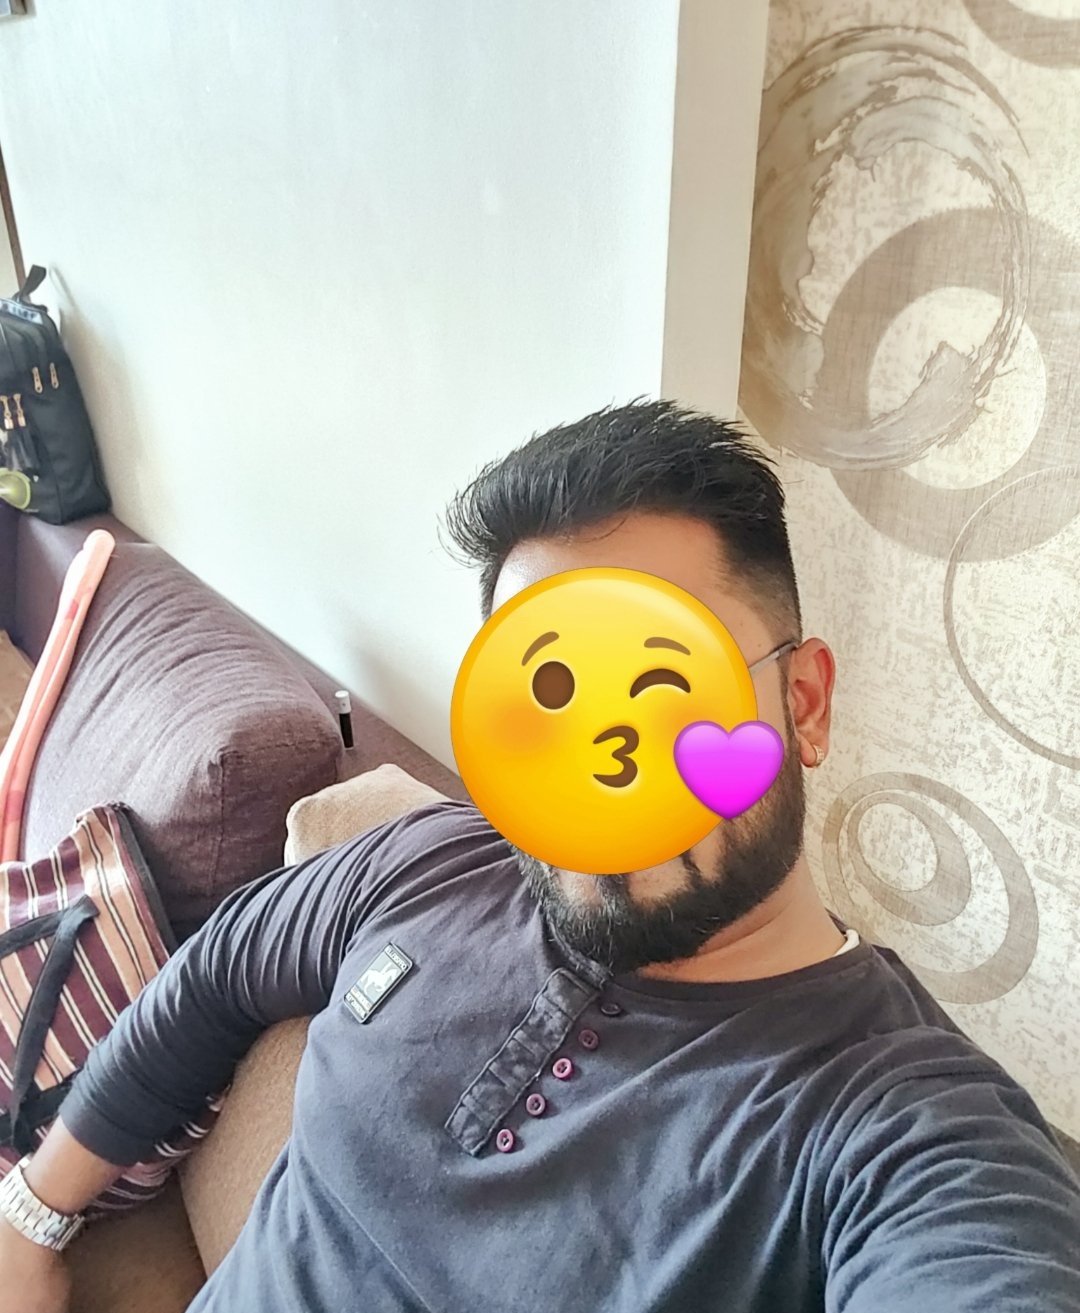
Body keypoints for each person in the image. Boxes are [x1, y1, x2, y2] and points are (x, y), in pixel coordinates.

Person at [2, 401, 1078, 1313]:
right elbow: (222, 966)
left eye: (665, 687)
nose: (606, 776)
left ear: (803, 705)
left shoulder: (901, 1128)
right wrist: (33, 1213)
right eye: (551, 699)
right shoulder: (430, 858)